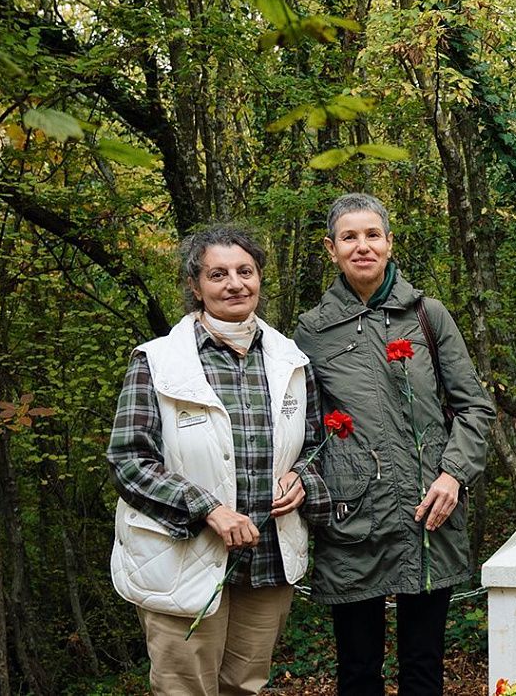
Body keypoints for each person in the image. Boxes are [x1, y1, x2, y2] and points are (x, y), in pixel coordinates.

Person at [108, 224, 332, 695]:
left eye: (245, 271)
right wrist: (207, 508)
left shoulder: (290, 360)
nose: (235, 283)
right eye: (218, 274)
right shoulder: (157, 361)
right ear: (196, 285)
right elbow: (130, 460)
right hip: (182, 559)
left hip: (267, 557)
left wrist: (302, 477)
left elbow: (316, 443)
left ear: (260, 278)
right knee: (185, 689)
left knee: (245, 685)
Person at [293, 192, 495, 696]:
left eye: (372, 234)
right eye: (349, 237)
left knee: (422, 668)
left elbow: (474, 407)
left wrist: (454, 474)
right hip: (352, 519)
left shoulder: (428, 315)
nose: (362, 246)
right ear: (331, 248)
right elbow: (299, 426)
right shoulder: (311, 331)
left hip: (430, 513)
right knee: (358, 670)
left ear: (388, 242)